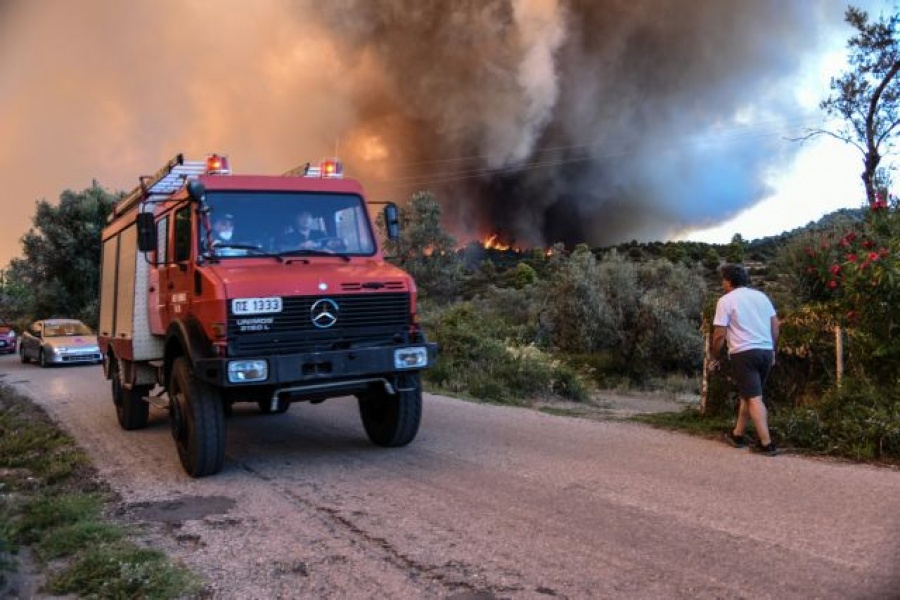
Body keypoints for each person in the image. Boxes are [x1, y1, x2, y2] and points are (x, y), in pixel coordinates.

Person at [710, 263, 781, 456]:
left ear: (729, 281)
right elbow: (775, 325)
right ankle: (737, 434)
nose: (722, 283)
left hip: (744, 353)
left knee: (754, 398)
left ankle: (767, 444)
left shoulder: (725, 301)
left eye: (723, 279)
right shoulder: (762, 297)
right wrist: (772, 349)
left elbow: (719, 334)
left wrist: (715, 355)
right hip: (765, 351)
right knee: (748, 396)